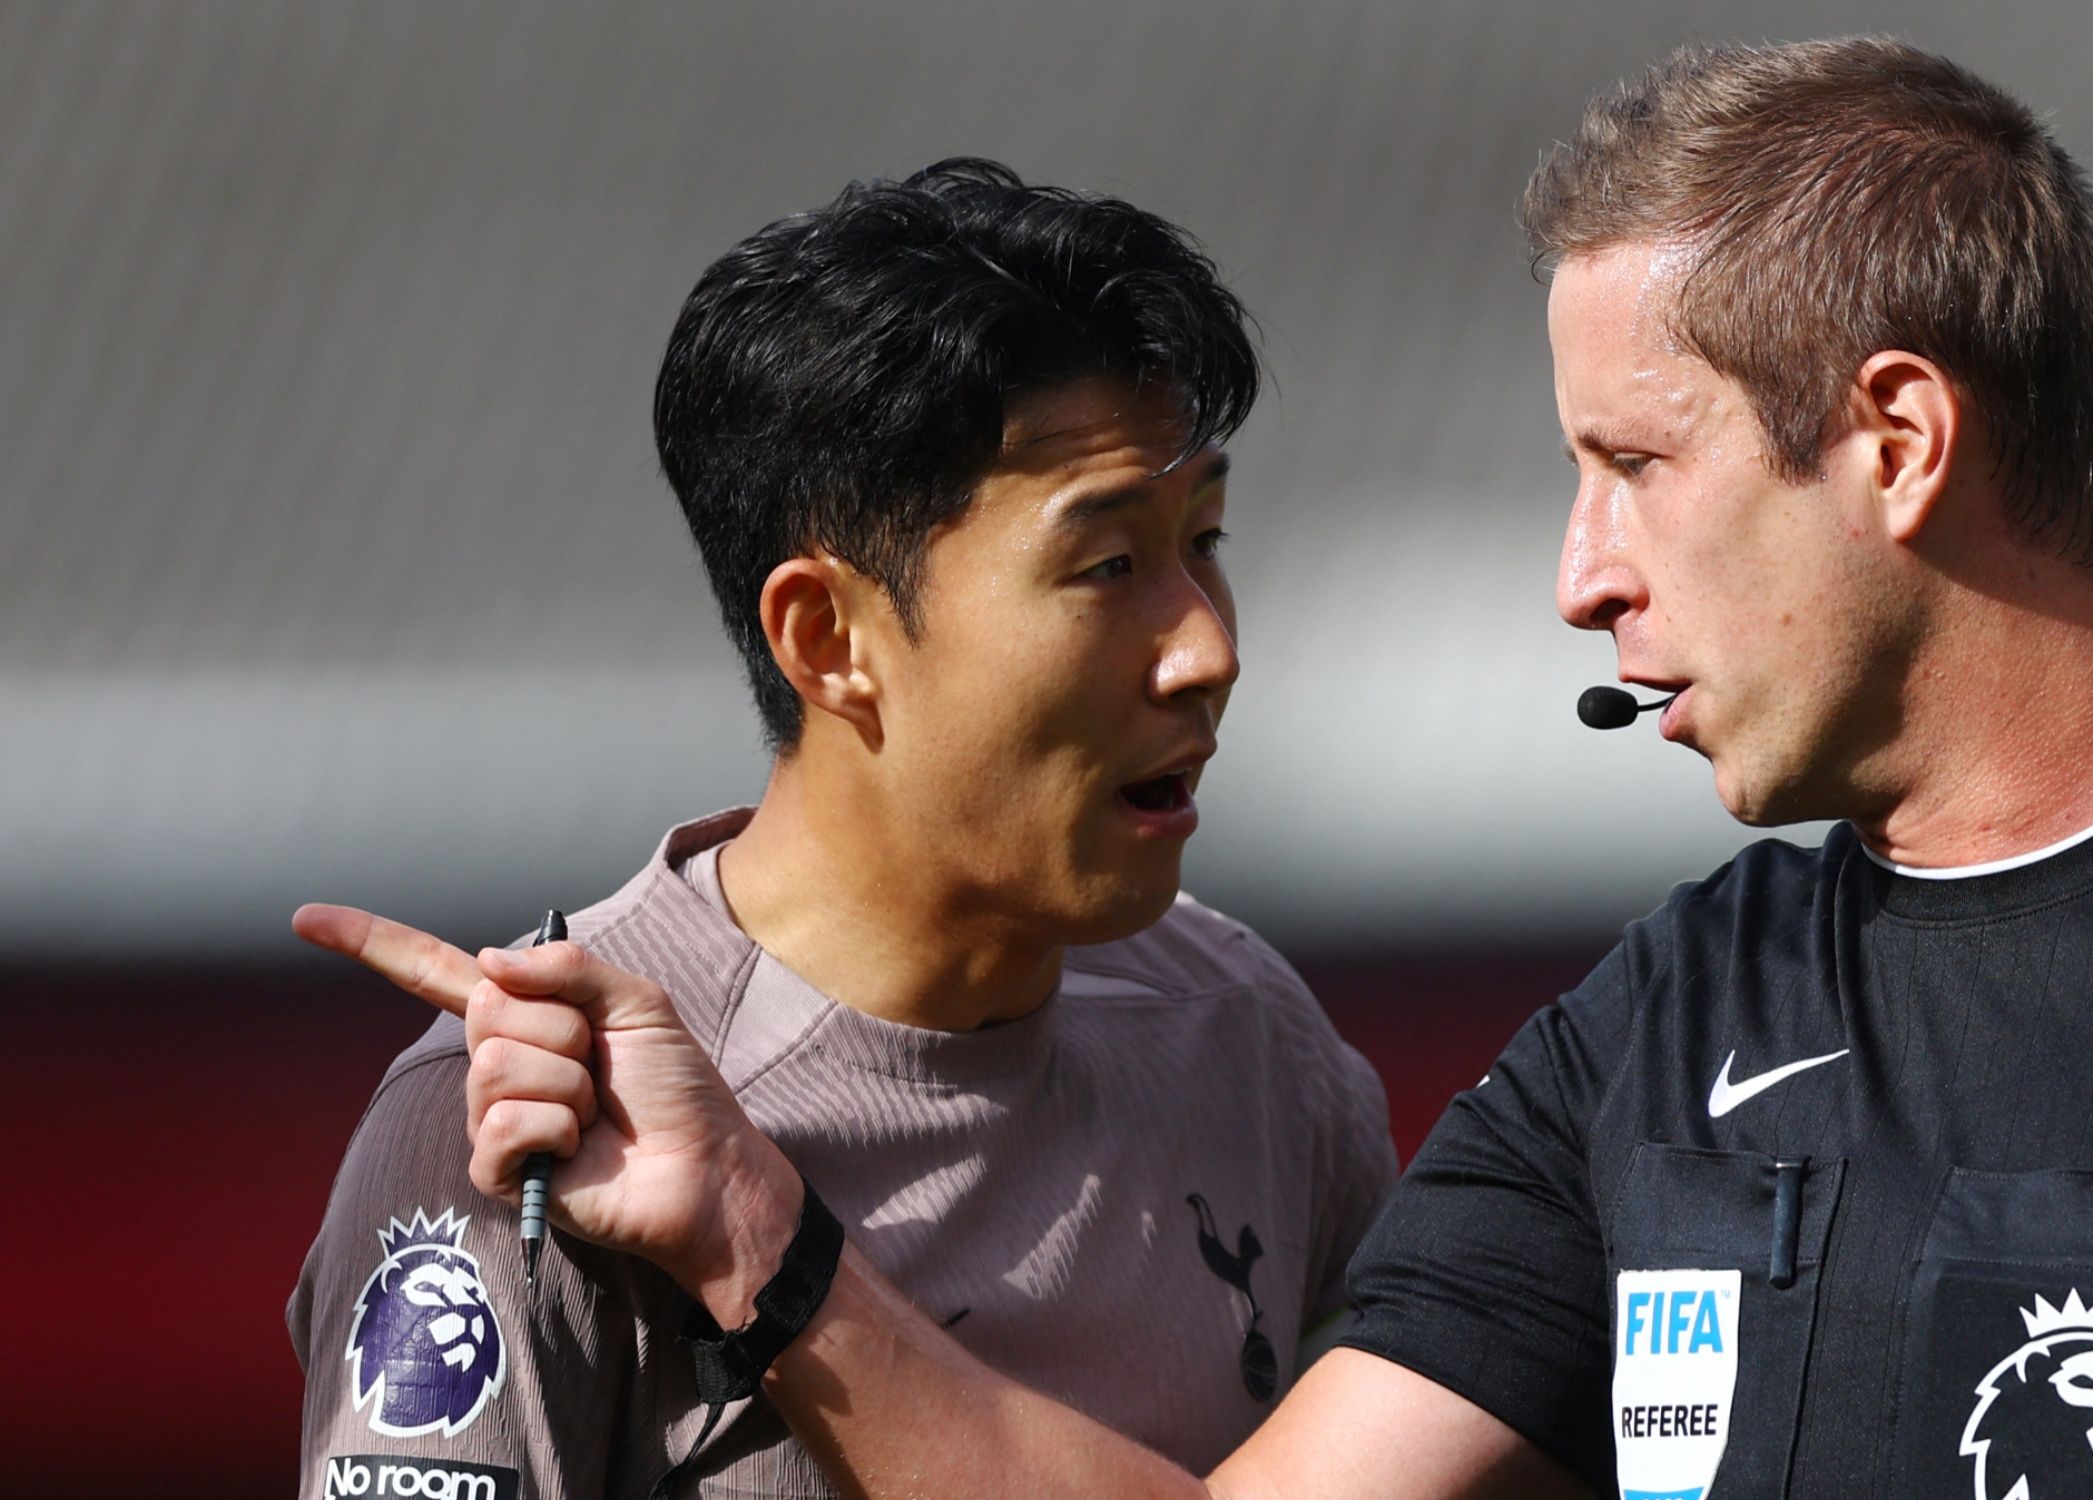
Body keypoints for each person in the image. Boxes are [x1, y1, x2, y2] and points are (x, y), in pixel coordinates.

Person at [322, 38, 2093, 1500]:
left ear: (1891, 440)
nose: (1577, 575)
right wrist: (773, 1255)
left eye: (1636, 468)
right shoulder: (1646, 1041)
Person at [286, 159, 1396, 1500]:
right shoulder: (527, 1120)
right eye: (1108, 566)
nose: (1206, 649)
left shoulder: (1255, 1046)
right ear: (828, 639)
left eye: (1205, 537)